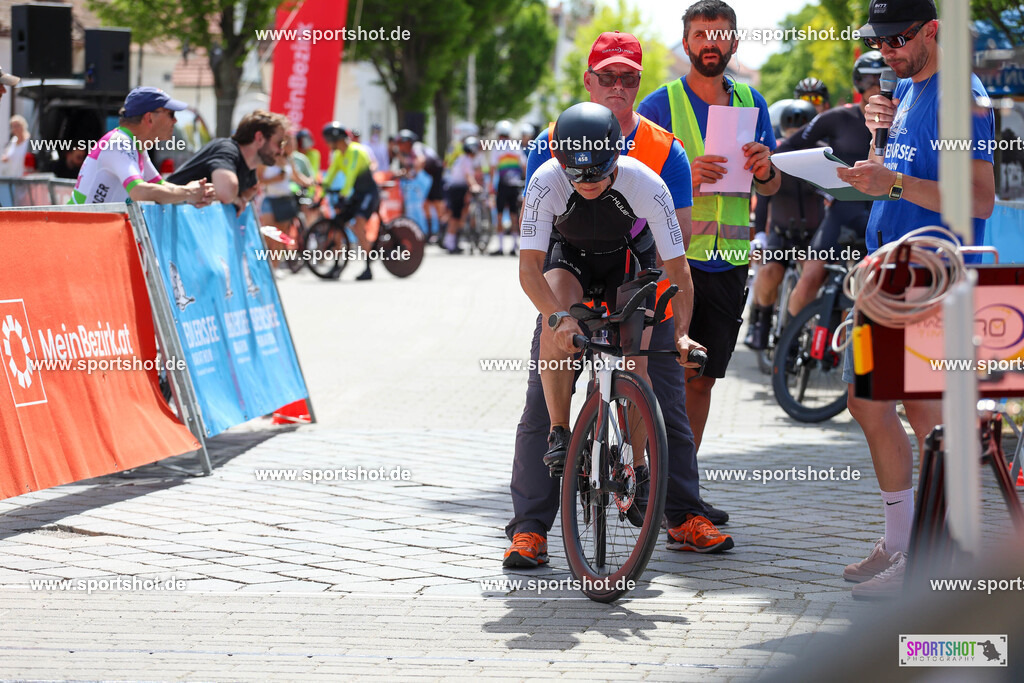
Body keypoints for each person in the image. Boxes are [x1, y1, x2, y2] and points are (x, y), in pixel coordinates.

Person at [505, 31, 733, 571]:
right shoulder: (549, 150)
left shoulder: (658, 157)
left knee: (660, 384)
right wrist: (557, 318)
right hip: (573, 265)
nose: (617, 85)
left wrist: (678, 334)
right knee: (548, 370)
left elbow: (678, 266)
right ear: (589, 80)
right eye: (606, 76)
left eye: (627, 76)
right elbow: (530, 265)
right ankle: (532, 521)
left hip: (636, 265)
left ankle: (668, 501)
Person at [834, 0, 995, 600]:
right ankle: (902, 542)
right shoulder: (905, 90)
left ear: (934, 30)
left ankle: (933, 558)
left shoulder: (964, 96)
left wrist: (892, 183)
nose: (889, 53)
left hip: (934, 274)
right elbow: (898, 173)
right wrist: (874, 158)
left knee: (930, 419)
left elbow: (979, 200)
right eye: (880, 43)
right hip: (888, 274)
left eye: (899, 40)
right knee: (869, 403)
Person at [637, 0, 780, 522]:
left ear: (735, 43)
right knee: (657, 377)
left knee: (702, 377)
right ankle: (642, 485)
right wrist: (685, 178)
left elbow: (772, 184)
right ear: (687, 42)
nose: (710, 43)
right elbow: (631, 190)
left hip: (728, 262)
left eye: (720, 35)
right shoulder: (658, 105)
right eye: (701, 35)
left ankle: (680, 494)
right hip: (674, 263)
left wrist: (766, 168)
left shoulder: (752, 102)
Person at [769, 51, 885, 322]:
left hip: (882, 215)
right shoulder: (837, 118)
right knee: (810, 278)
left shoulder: (902, 121)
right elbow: (788, 148)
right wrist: (819, 179)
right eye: (868, 80)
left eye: (882, 79)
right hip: (842, 213)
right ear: (857, 83)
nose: (876, 87)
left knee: (872, 293)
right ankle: (788, 342)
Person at [743, 99, 822, 350]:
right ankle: (760, 323)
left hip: (813, 236)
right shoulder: (776, 155)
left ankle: (799, 333)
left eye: (802, 127)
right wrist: (761, 237)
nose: (795, 133)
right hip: (779, 233)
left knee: (811, 280)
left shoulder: (824, 155)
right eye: (790, 127)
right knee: (768, 273)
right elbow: (765, 195)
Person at [70, 87, 215, 207]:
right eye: (170, 114)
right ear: (149, 118)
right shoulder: (119, 143)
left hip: (90, 230)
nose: (175, 120)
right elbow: (139, 191)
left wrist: (195, 194)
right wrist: (189, 192)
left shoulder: (136, 146)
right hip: (79, 231)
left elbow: (161, 187)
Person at [170, 110, 289, 215]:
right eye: (280, 143)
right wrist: (237, 199)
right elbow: (226, 192)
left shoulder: (249, 169)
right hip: (165, 215)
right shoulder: (226, 149)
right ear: (259, 138)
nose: (281, 151)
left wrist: (241, 197)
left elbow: (242, 193)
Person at [322, 122, 380, 281]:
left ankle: (368, 267)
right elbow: (333, 171)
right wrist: (324, 186)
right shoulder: (339, 155)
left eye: (328, 140)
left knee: (358, 224)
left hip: (368, 193)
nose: (327, 144)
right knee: (338, 223)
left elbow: (350, 176)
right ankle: (336, 265)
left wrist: (343, 194)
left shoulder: (355, 150)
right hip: (357, 194)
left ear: (336, 139)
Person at [259, 133, 312, 267]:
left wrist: (311, 182)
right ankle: (262, 267)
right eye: (289, 143)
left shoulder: (289, 160)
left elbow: (297, 177)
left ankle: (274, 270)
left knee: (279, 239)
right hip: (269, 201)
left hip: (285, 201)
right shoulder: (267, 159)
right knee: (268, 236)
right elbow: (258, 180)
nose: (292, 146)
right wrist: (275, 179)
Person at [395, 129, 447, 244]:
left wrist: (413, 173)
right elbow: (411, 165)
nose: (400, 146)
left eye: (400, 143)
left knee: (437, 205)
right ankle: (431, 233)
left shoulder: (416, 147)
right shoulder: (411, 152)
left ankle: (442, 233)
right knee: (426, 205)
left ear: (407, 142)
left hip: (436, 175)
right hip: (432, 176)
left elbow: (421, 161)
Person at [444, 136, 485, 255]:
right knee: (455, 216)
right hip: (457, 188)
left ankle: (452, 241)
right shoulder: (466, 160)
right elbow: (468, 176)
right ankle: (450, 243)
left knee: (458, 214)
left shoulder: (463, 158)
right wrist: (475, 186)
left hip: (457, 187)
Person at [488, 120, 524, 256]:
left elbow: (492, 168)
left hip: (502, 185)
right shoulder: (516, 146)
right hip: (515, 185)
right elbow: (524, 165)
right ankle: (515, 246)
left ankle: (501, 246)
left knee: (499, 215)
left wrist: (491, 185)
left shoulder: (496, 147)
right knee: (515, 215)